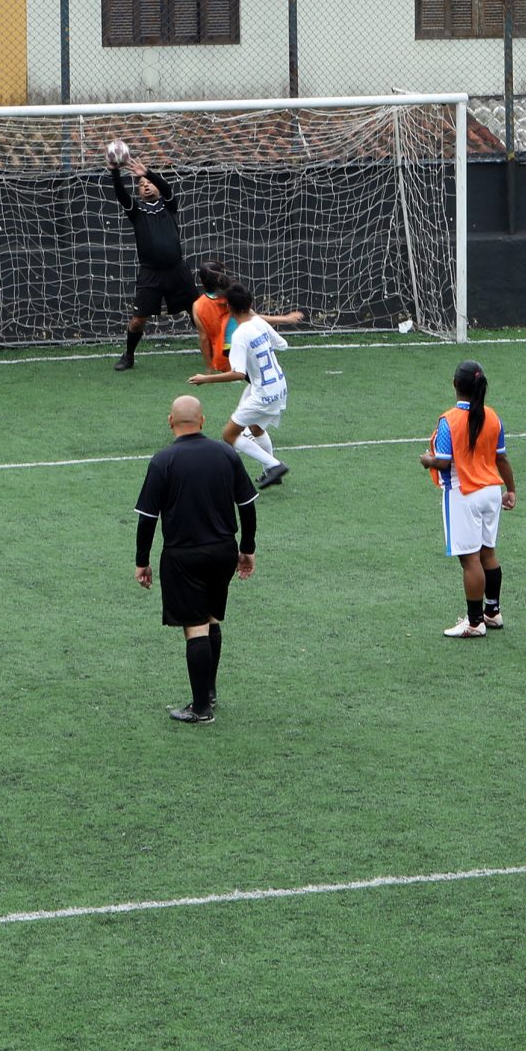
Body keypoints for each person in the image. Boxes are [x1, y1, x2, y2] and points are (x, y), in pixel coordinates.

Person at [133, 394, 259, 724]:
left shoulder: (163, 460)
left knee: (195, 627)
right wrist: (247, 548)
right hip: (222, 551)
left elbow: (148, 517)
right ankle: (209, 691)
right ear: (202, 421)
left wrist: (142, 560)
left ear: (170, 422)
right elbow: (246, 505)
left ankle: (201, 708)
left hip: (183, 555)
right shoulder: (225, 454)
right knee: (212, 618)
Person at [423, 360, 518, 638]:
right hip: (491, 493)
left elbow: (443, 462)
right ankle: (492, 612)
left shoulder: (448, 421)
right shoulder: (492, 416)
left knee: (470, 560)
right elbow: (501, 458)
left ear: (456, 385)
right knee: (488, 553)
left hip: (464, 493)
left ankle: (475, 622)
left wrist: (426, 459)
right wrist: (511, 489)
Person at [109, 156, 196, 373]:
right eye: (141, 185)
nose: (146, 186)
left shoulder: (169, 204)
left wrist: (146, 173)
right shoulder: (136, 210)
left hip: (178, 271)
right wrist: (115, 172)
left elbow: (166, 188)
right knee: (138, 320)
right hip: (150, 274)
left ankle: (216, 350)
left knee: (198, 313)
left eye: (149, 183)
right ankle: (129, 355)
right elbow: (121, 195)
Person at [220, 282, 291, 487]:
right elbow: (282, 345)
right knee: (256, 428)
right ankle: (271, 472)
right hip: (279, 386)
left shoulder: (240, 334)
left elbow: (238, 373)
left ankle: (274, 465)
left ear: (229, 308)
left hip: (263, 393)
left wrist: (205, 379)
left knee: (229, 435)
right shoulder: (258, 322)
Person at [189, 262, 305, 388]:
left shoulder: (198, 306)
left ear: (200, 280)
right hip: (247, 344)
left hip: (225, 353)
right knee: (259, 380)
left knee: (256, 381)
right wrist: (286, 318)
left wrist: (209, 367)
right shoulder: (232, 296)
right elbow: (255, 318)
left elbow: (204, 339)